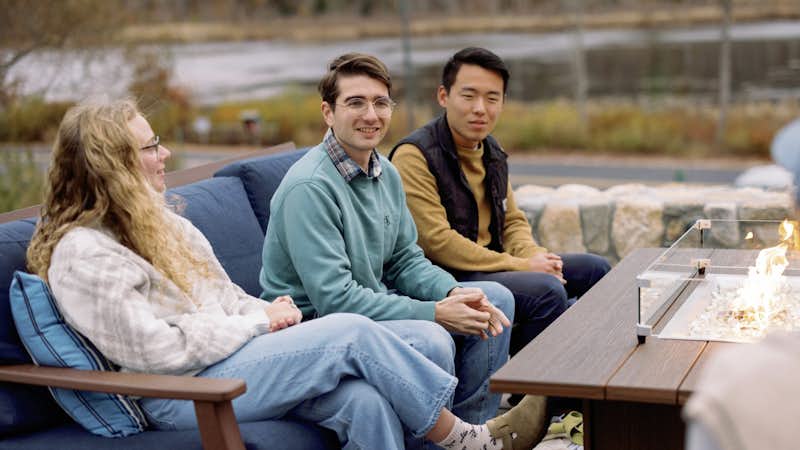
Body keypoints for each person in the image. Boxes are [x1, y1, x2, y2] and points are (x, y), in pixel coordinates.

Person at [25, 98, 543, 450]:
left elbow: (226, 296)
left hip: (231, 361)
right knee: (349, 333)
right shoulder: (85, 256)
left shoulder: (162, 225)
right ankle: (469, 439)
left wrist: (270, 315)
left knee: (378, 387)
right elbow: (155, 354)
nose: (164, 155)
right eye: (149, 146)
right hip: (178, 394)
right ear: (111, 164)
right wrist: (257, 324)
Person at [259, 53, 518, 427]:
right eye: (355, 103)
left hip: (369, 306)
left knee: (494, 299)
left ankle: (473, 429)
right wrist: (434, 313)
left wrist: (451, 293)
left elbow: (404, 260)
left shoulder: (387, 173)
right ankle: (443, 435)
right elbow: (334, 299)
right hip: (316, 326)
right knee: (431, 338)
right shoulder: (310, 187)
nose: (371, 115)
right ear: (328, 113)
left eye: (381, 103)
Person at [390, 47, 611, 363]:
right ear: (443, 96)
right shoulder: (415, 155)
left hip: (490, 265)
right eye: (469, 96)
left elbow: (513, 222)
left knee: (595, 270)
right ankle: (537, 397)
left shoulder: (491, 150)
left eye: (492, 98)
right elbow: (435, 241)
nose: (480, 108)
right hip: (446, 276)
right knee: (546, 291)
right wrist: (522, 266)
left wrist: (535, 256)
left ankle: (580, 374)